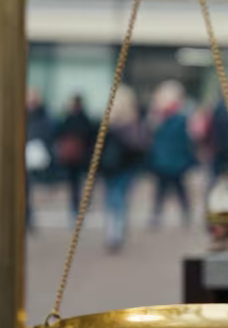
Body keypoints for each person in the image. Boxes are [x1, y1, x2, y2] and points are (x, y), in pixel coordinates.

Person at [100, 86, 148, 251]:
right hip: (126, 166)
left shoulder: (109, 122)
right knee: (120, 197)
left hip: (111, 166)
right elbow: (141, 144)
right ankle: (117, 230)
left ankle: (113, 229)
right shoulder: (133, 122)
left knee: (112, 197)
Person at [147, 80, 196, 228]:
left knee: (176, 189)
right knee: (164, 191)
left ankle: (183, 214)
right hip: (165, 160)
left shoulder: (179, 118)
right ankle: (160, 215)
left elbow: (187, 140)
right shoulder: (160, 118)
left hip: (173, 161)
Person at [52, 94, 95, 225]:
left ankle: (79, 208)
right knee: (76, 185)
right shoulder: (71, 118)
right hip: (74, 159)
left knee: (79, 185)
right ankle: (76, 209)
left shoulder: (78, 118)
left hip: (81, 157)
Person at [25, 88, 54, 232]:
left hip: (33, 152)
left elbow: (47, 130)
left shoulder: (42, 113)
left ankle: (28, 217)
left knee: (28, 187)